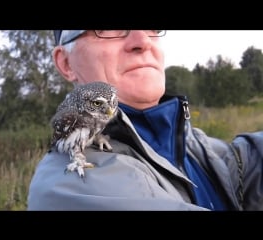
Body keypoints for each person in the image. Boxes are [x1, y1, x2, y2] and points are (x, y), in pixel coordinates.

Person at [27, 30, 263, 210]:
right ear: (66, 63)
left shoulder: (193, 146)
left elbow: (242, 163)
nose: (142, 40)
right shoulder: (68, 182)